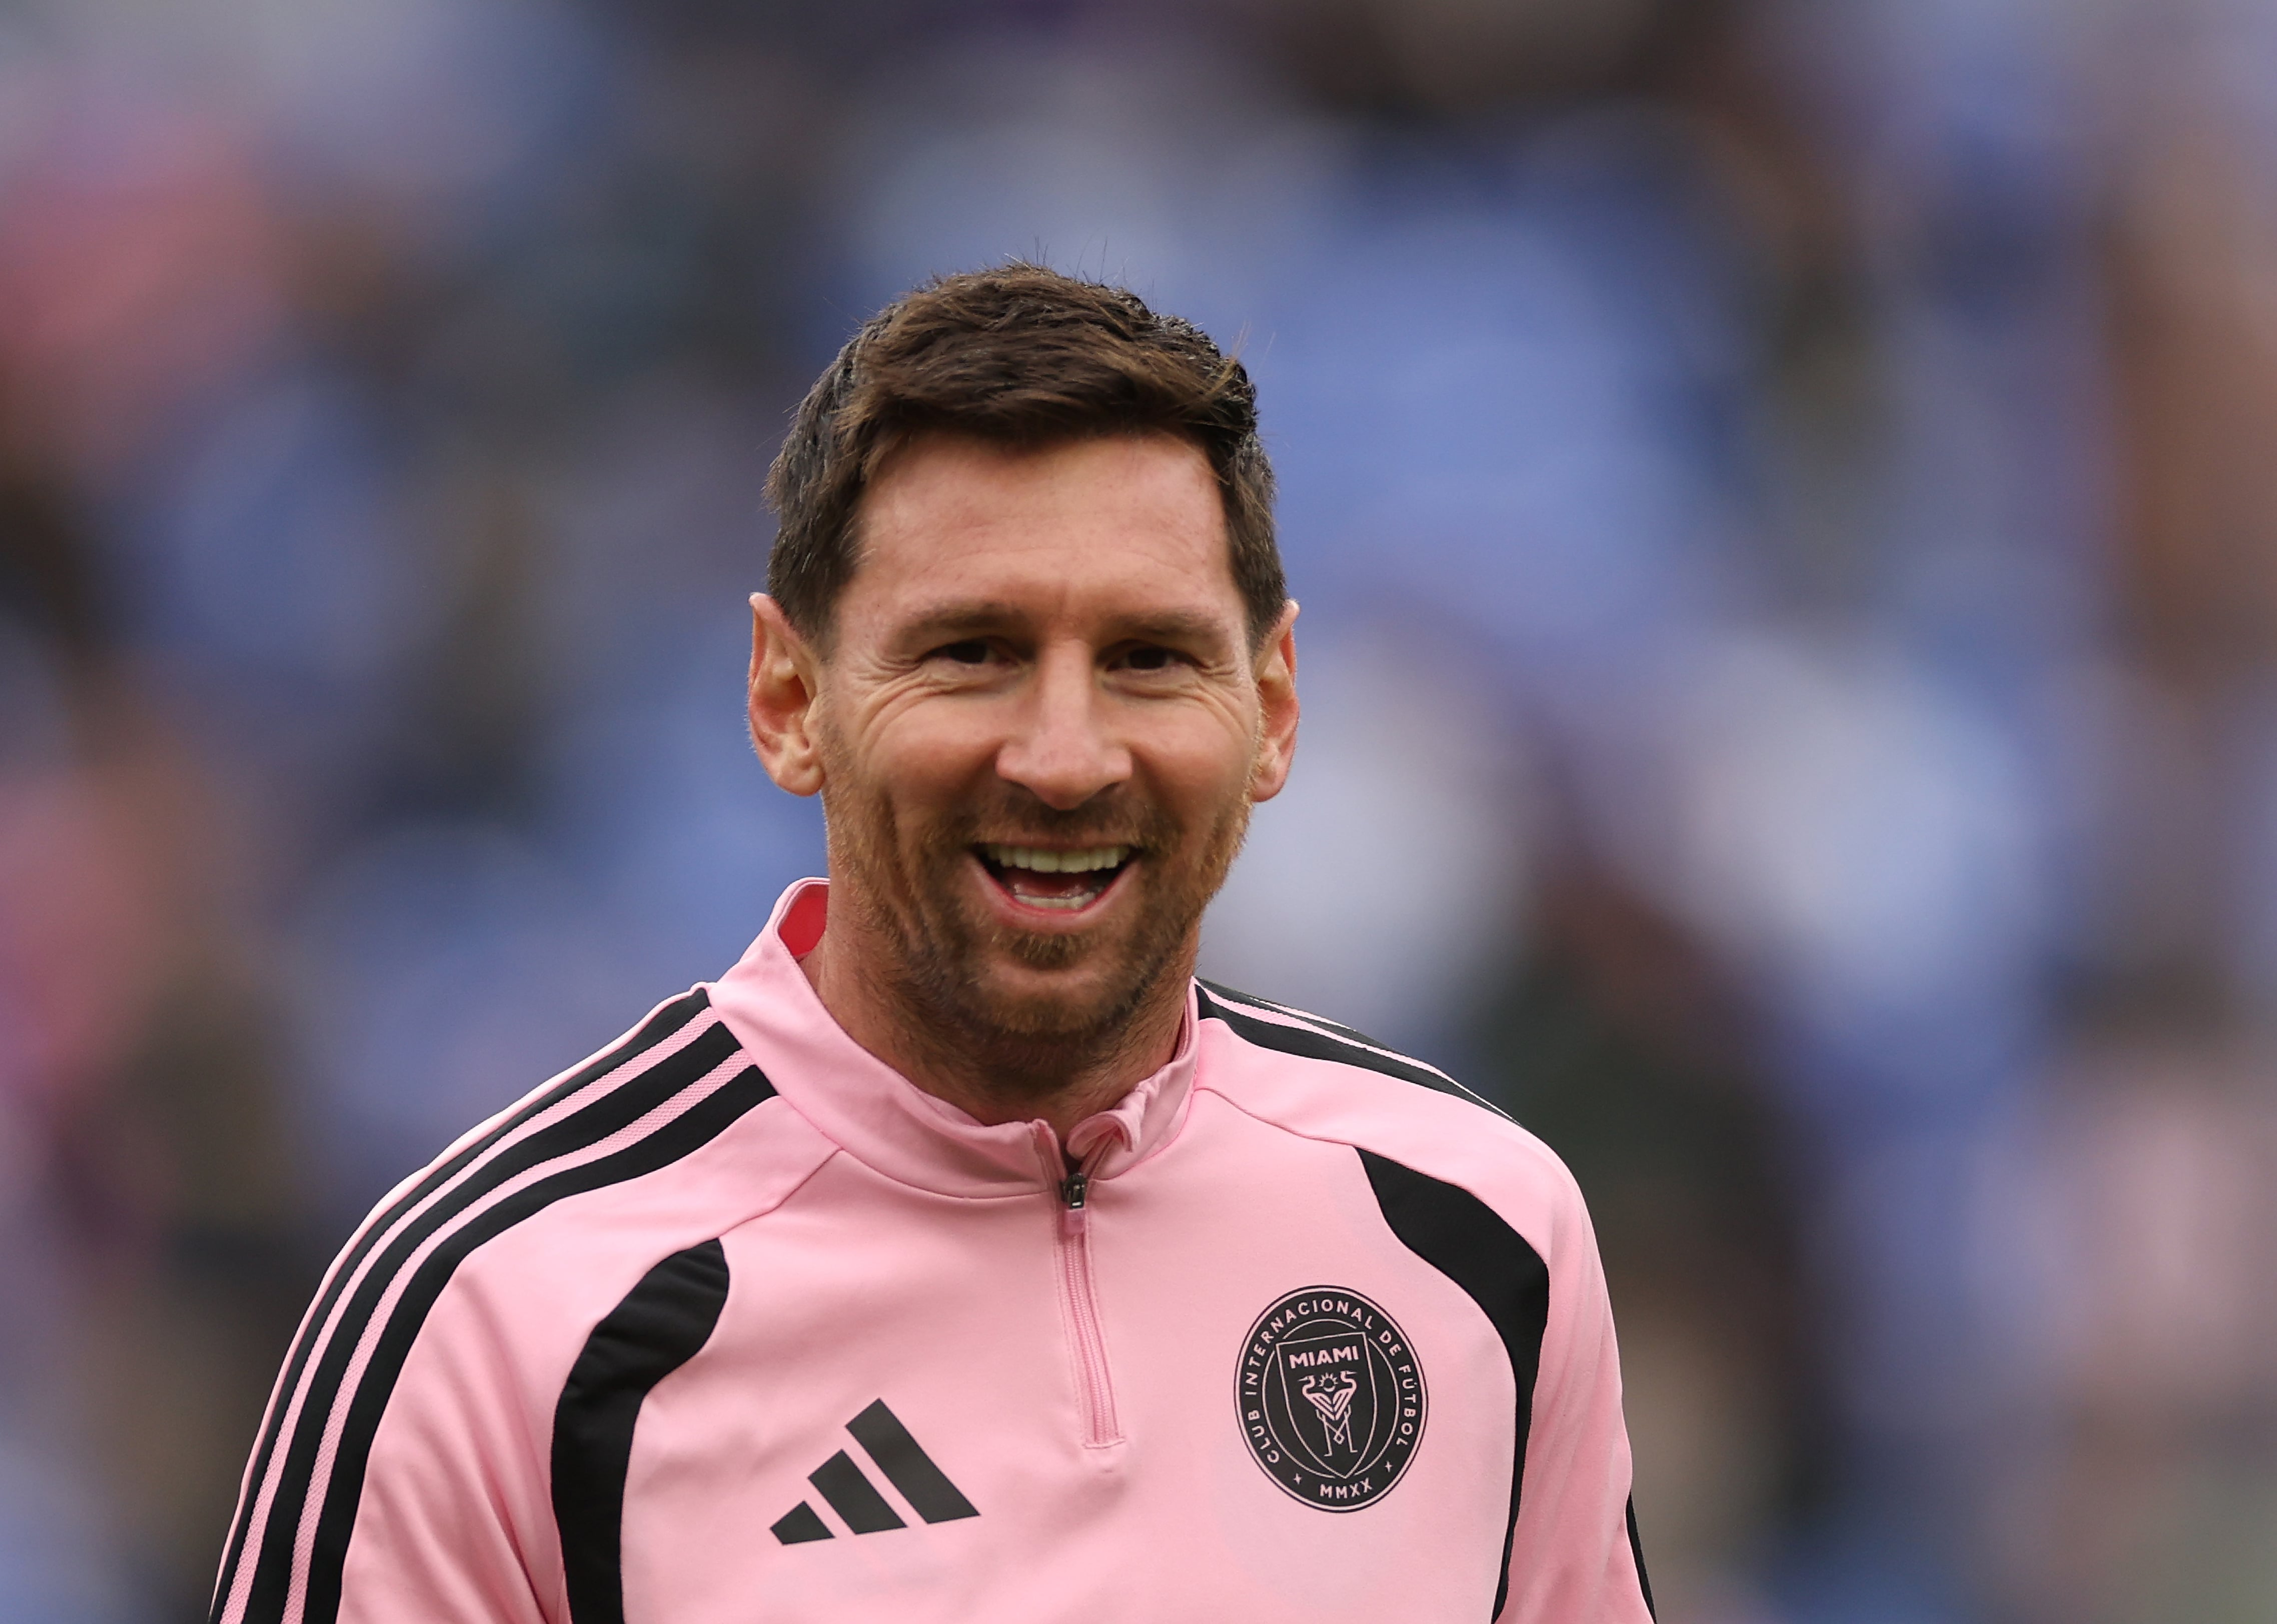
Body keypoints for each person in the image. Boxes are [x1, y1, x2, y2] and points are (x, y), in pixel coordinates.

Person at [210, 266, 1657, 1623]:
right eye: (972, 651)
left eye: (1150, 657)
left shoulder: (1480, 1233)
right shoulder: (497, 1307)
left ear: (1271, 707)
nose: (1067, 756)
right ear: (790, 699)